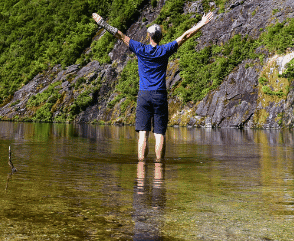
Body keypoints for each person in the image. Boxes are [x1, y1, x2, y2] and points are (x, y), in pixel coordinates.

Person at [91, 10, 215, 161]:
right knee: (159, 134)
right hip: (159, 95)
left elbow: (120, 35)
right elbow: (185, 36)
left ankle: (141, 167)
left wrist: (102, 23)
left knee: (143, 134)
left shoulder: (140, 49)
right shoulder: (165, 50)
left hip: (144, 95)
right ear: (161, 37)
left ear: (148, 36)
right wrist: (202, 23)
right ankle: (158, 166)